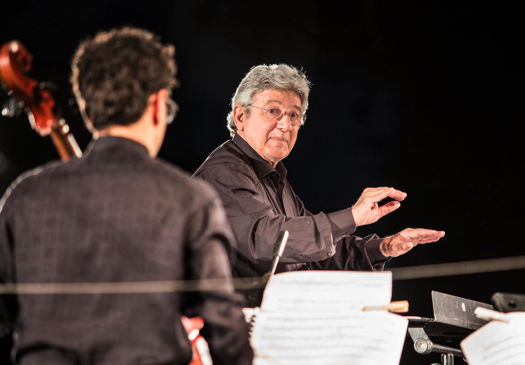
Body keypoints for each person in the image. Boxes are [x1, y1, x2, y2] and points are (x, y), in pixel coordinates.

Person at [0, 27, 253, 365]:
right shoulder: (190, 200)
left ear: (88, 112)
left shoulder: (23, 197)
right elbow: (226, 333)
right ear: (158, 104)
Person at [193, 63, 445, 307]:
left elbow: (313, 253)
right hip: (226, 334)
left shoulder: (273, 177)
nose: (285, 125)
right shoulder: (224, 171)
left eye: (294, 115)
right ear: (240, 116)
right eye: (273, 111)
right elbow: (265, 240)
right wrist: (352, 216)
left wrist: (382, 247)